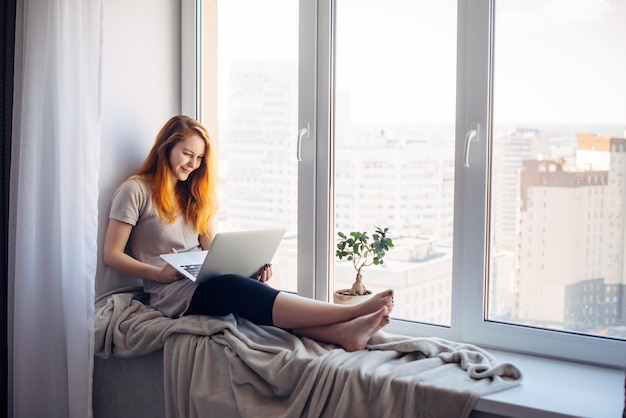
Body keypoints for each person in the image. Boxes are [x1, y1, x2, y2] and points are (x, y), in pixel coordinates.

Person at [103, 115, 394, 352]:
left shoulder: (194, 196)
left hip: (203, 281)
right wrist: (161, 275)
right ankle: (349, 312)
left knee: (246, 293)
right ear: (165, 148)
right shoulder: (135, 190)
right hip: (170, 293)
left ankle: (344, 335)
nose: (193, 164)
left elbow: (213, 252)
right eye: (187, 154)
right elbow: (111, 255)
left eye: (200, 157)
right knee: (234, 289)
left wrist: (247, 271)